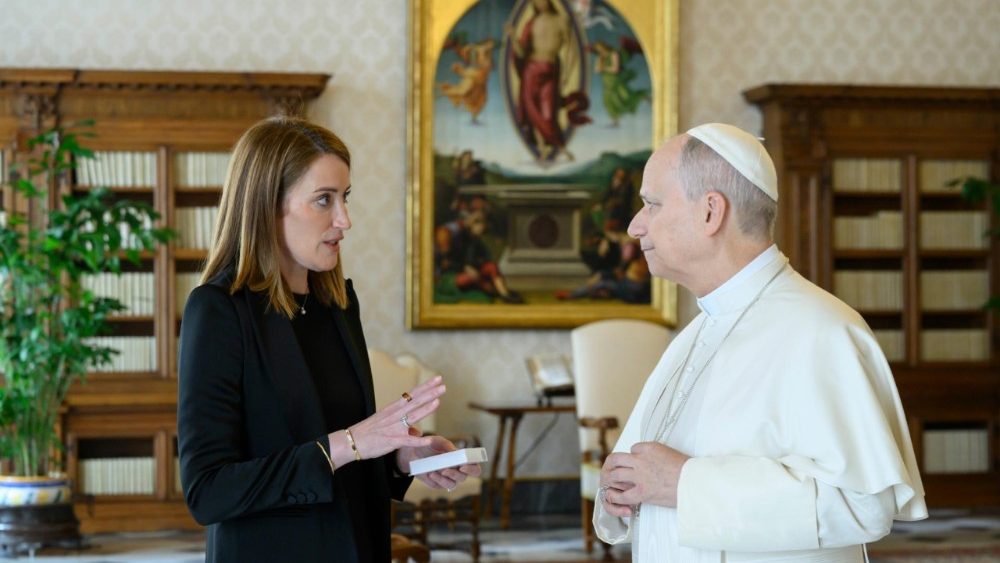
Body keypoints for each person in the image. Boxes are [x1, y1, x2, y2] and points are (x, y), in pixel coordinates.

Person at [594, 123, 926, 562]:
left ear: (711, 212)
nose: (636, 226)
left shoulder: (822, 331)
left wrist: (684, 485)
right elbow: (652, 479)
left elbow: (862, 504)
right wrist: (623, 490)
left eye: (651, 204)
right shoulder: (694, 334)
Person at [177, 117, 481, 563]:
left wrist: (404, 458)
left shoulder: (337, 304)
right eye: (324, 200)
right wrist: (353, 441)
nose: (345, 219)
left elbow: (341, 454)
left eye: (345, 197)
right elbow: (208, 492)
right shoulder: (218, 311)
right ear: (267, 206)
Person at [508, 0, 589, 161]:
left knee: (548, 112)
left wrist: (567, 73)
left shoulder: (560, 20)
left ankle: (559, 147)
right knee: (533, 111)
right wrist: (512, 37)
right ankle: (542, 148)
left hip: (550, 70)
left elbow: (571, 50)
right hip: (530, 70)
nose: (539, 3)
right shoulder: (532, 22)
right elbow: (521, 53)